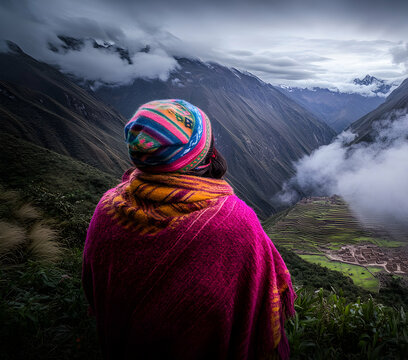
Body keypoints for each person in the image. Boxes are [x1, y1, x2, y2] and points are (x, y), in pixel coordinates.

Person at [82, 99, 295, 359]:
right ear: (202, 156)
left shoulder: (108, 209)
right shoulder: (235, 222)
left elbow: (94, 289)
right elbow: (253, 310)